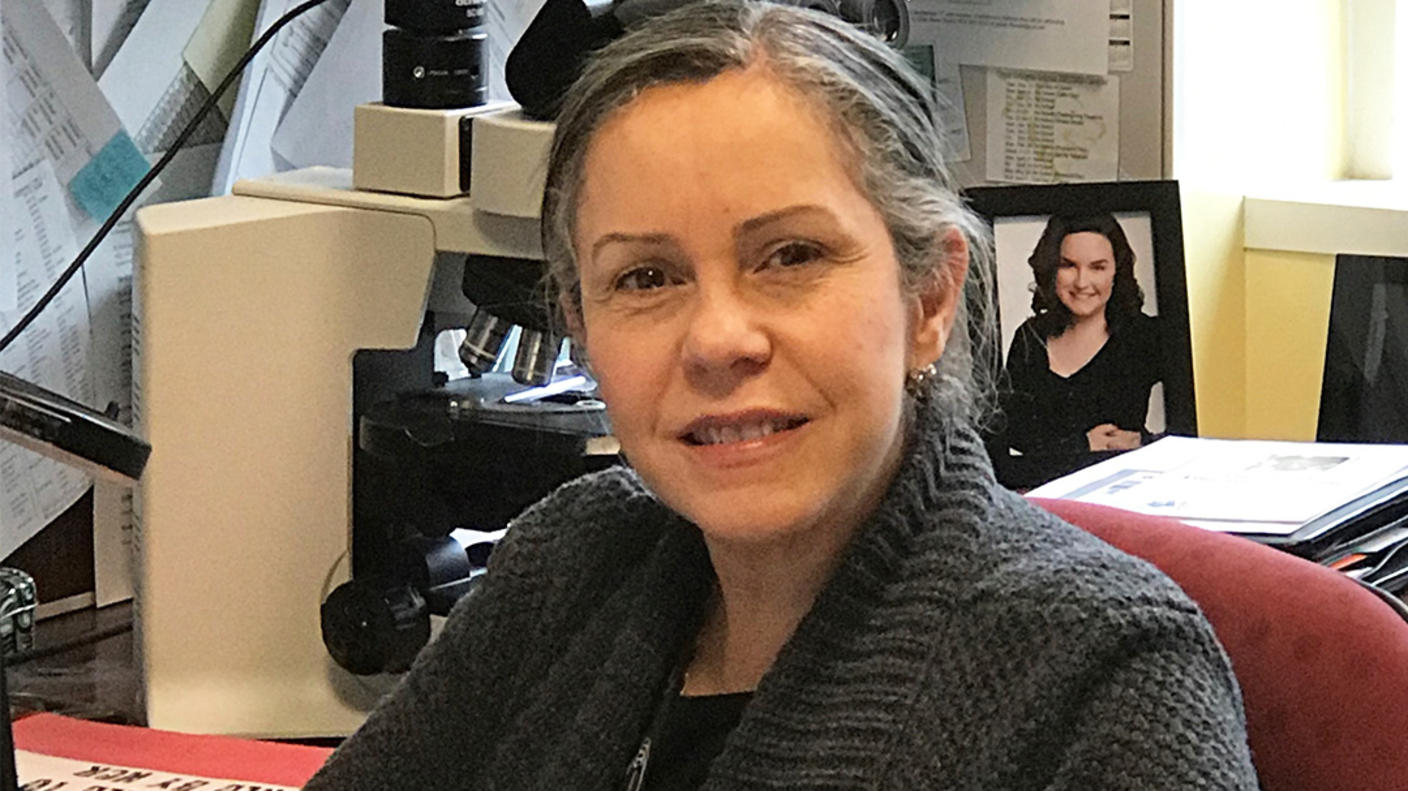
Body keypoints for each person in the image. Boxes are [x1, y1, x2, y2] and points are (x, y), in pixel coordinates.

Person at [303, 3, 1256, 789]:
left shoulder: (1106, 677)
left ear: (928, 296)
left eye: (791, 256)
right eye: (644, 278)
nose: (719, 339)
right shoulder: (570, 563)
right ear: (580, 326)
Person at [1001, 213, 1162, 456]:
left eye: (1097, 267)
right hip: (1040, 489)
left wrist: (1145, 441)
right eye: (1068, 265)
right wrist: (1083, 445)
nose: (1081, 282)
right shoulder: (1028, 338)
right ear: (1051, 269)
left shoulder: (1147, 335)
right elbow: (1010, 439)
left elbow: (1191, 430)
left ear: (1117, 270)